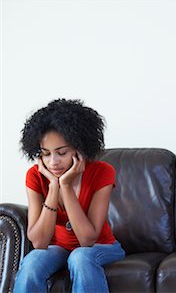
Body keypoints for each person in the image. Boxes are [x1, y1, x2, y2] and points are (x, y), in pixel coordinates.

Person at [14, 99, 125, 293]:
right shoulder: (35, 176)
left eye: (61, 152)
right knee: (32, 262)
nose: (53, 162)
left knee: (80, 256)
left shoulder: (103, 172)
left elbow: (87, 240)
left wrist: (65, 185)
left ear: (78, 148)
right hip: (58, 248)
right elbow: (39, 242)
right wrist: (54, 186)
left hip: (102, 246)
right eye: (46, 154)